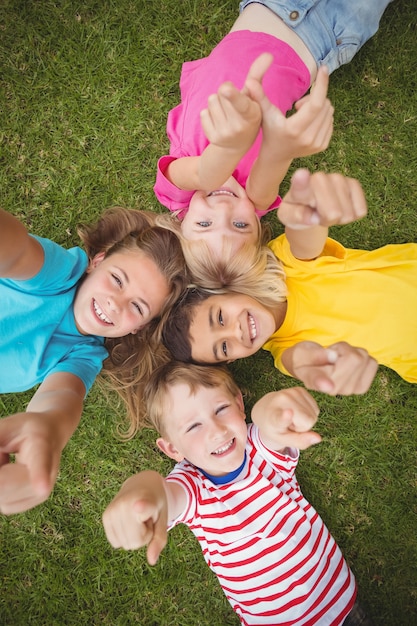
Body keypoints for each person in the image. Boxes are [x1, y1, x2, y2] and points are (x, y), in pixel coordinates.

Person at [103, 361, 371, 625]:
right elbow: (165, 494)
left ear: (240, 405)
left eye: (221, 409)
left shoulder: (260, 449)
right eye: (193, 426)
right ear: (173, 449)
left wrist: (274, 411)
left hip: (338, 597)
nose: (217, 431)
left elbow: (270, 424)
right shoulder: (192, 487)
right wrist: (143, 491)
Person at [154, 0, 392, 261]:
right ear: (257, 228)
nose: (223, 209)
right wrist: (283, 146)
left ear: (180, 226)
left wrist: (229, 147)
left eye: (204, 224)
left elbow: (203, 173)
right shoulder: (255, 199)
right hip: (330, 33)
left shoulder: (175, 195)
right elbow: (274, 159)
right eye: (241, 225)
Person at [0, 206, 188, 515]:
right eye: (117, 279)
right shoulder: (59, 274)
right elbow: (16, 250)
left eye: (138, 307)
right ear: (97, 262)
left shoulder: (85, 354)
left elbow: (63, 395)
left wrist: (46, 428)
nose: (116, 303)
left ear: (138, 327)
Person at [162, 168, 417, 392]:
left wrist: (306, 214)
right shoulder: (284, 351)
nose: (235, 332)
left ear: (223, 290)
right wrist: (316, 368)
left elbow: (305, 242)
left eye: (219, 318)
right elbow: (302, 361)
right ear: (232, 360)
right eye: (225, 347)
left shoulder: (283, 265)